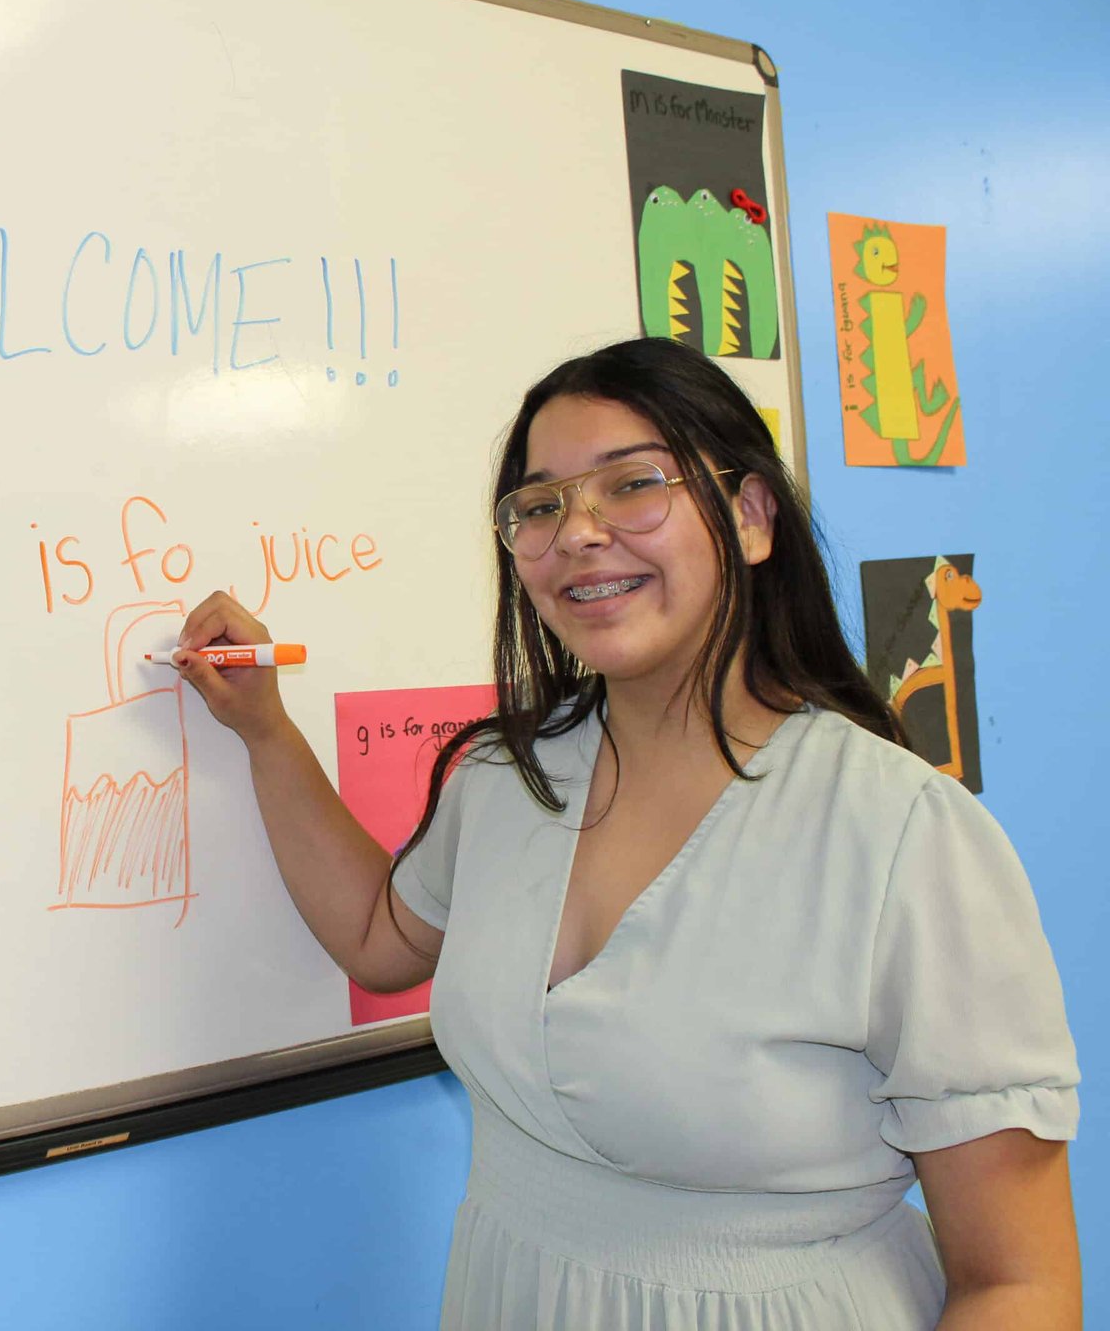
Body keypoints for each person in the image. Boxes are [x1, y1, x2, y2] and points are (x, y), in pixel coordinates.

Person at [171, 338, 1081, 1329]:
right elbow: (376, 938)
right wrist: (263, 727)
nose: (580, 533)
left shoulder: (903, 834)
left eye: (632, 485)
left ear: (748, 517)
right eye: (540, 505)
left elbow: (1019, 1282)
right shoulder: (505, 777)